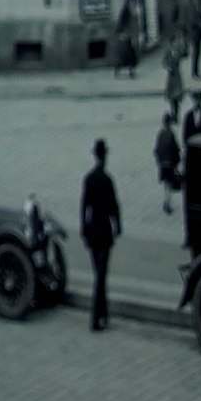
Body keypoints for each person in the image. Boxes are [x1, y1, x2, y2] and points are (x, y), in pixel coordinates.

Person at [81, 140, 120, 332]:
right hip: (104, 232)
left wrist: (83, 229)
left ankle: (103, 314)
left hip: (92, 231)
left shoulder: (88, 179)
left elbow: (83, 206)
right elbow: (114, 206)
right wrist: (118, 226)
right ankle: (95, 318)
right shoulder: (107, 180)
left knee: (98, 273)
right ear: (104, 157)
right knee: (100, 277)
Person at [153, 113, 182, 215]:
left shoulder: (160, 134)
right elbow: (175, 149)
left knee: (166, 184)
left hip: (163, 164)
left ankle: (166, 202)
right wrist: (177, 161)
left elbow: (157, 149)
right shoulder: (171, 134)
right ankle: (167, 202)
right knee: (169, 184)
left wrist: (159, 161)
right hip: (170, 163)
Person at [163, 46, 184, 119]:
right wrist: (169, 67)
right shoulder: (168, 53)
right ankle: (173, 113)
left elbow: (181, 56)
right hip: (171, 77)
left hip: (176, 76)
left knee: (176, 96)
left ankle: (176, 115)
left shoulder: (177, 52)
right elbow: (164, 63)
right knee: (172, 97)